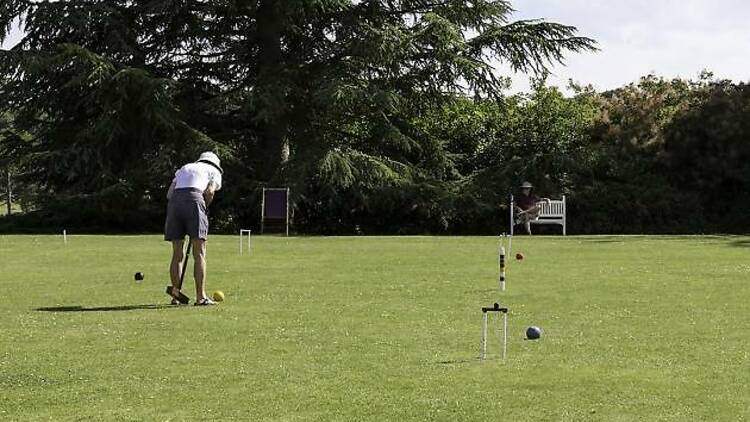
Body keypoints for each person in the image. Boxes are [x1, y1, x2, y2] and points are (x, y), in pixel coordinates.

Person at [164, 151, 223, 305]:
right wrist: (203, 207)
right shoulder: (214, 171)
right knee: (200, 252)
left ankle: (175, 296)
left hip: (175, 202)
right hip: (196, 199)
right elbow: (209, 192)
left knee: (177, 253)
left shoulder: (185, 167)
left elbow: (169, 194)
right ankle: (201, 297)